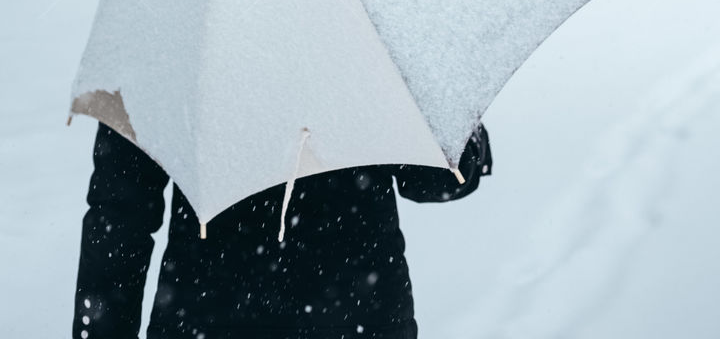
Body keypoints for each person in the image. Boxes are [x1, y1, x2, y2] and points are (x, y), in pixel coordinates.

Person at [72, 120, 492, 339]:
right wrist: (464, 127)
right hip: (356, 317)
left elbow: (118, 219)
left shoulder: (171, 10)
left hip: (203, 316)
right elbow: (438, 179)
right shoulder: (364, 0)